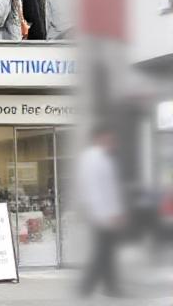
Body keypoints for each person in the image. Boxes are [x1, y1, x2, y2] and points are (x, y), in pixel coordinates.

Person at [76, 125, 125, 298]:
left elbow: (111, 189)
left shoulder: (104, 158)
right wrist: (105, 215)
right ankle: (89, 287)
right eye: (109, 139)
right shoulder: (92, 159)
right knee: (103, 252)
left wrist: (117, 212)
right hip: (102, 215)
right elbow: (93, 190)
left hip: (108, 214)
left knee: (106, 252)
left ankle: (103, 286)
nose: (113, 143)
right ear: (98, 138)